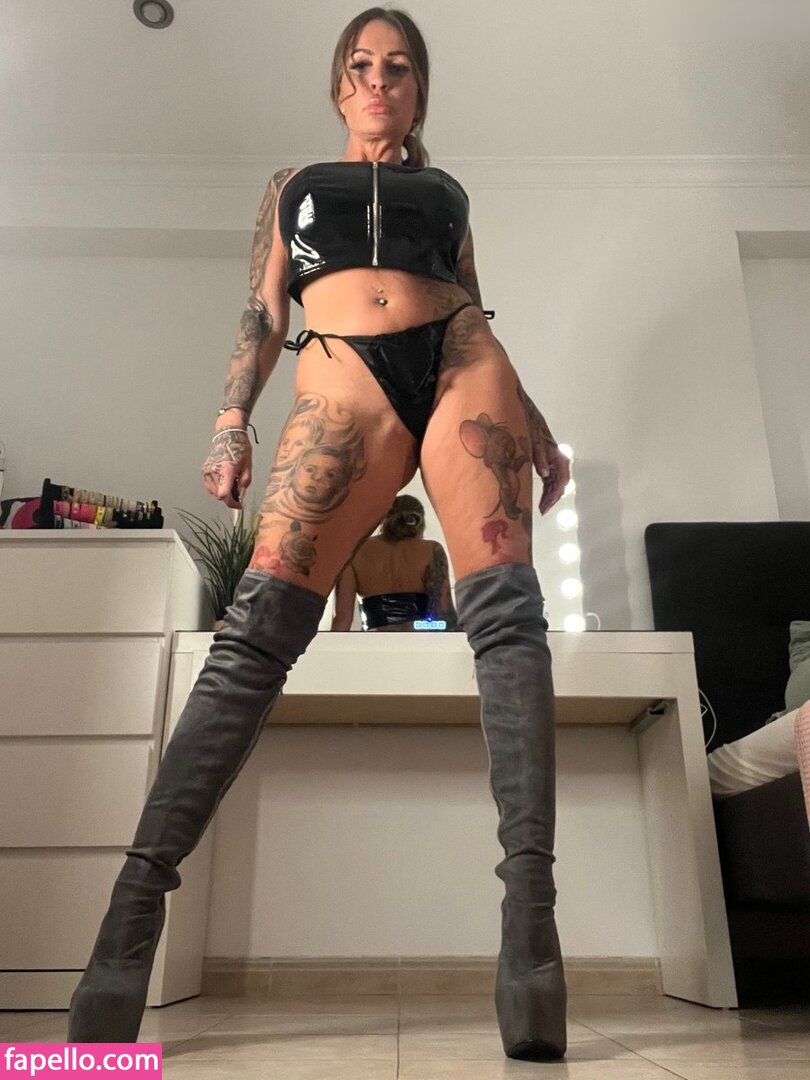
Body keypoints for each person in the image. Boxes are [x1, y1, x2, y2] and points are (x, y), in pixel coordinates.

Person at [67, 7, 571, 1062]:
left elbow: (479, 306)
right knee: (255, 637)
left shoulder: (447, 193)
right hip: (342, 371)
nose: (379, 79)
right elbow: (262, 312)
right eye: (362, 65)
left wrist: (536, 421)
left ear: (418, 91)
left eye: (399, 67)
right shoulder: (294, 183)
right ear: (340, 85)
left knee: (510, 623)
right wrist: (230, 418)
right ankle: (128, 925)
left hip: (464, 365)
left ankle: (532, 930)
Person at [331, 494, 457, 631]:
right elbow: (443, 612)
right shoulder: (432, 550)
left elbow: (342, 619)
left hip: (374, 640)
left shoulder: (355, 551)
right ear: (419, 521)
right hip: (420, 639)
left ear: (385, 518)